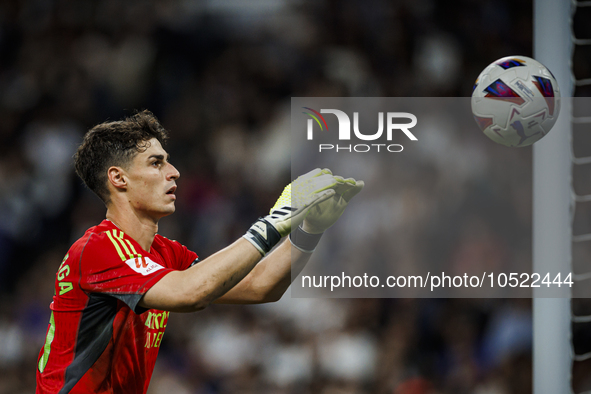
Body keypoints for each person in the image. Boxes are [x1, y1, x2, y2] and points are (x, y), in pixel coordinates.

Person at [35, 110, 364, 393]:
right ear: (119, 178)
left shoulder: (165, 254)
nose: (173, 171)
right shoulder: (97, 248)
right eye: (156, 163)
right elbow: (191, 293)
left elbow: (262, 285)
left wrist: (309, 229)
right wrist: (279, 218)